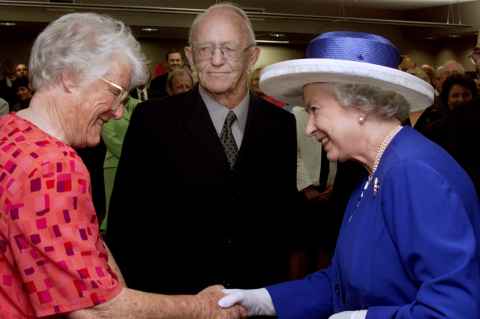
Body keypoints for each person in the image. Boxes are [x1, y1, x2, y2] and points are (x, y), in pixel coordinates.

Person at [218, 31, 480, 319]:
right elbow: (342, 283)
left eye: (315, 110)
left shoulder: (414, 173)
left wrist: (364, 318)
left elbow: (453, 310)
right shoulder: (372, 171)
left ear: (360, 106)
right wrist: (262, 299)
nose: (309, 127)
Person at [0, 12, 245, 319]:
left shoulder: (8, 131)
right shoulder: (53, 166)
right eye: (115, 93)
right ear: (69, 78)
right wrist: (202, 307)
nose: (118, 112)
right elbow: (96, 309)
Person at [106, 2, 299, 299]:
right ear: (190, 56)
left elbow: (282, 222)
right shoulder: (152, 120)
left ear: (253, 56)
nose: (216, 60)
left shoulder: (281, 125)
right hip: (174, 298)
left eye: (229, 49)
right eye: (205, 49)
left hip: (256, 297)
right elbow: (127, 223)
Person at [100, 96, 141, 232]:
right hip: (114, 162)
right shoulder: (108, 107)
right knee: (112, 201)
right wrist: (131, 155)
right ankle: (109, 229)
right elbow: (108, 136)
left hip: (136, 163)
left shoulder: (138, 105)